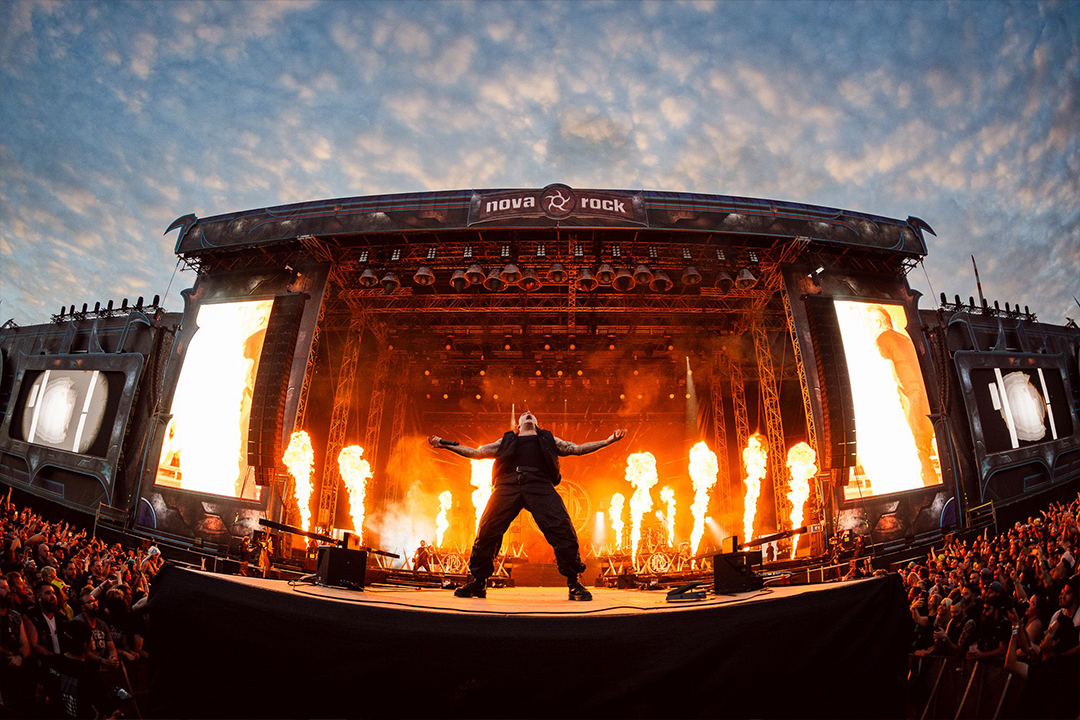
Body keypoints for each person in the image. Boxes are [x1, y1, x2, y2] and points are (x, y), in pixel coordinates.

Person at [429, 411, 626, 601]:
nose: (528, 412)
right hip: (508, 484)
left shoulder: (548, 439)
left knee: (562, 527)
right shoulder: (506, 440)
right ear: (519, 425)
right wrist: (445, 445)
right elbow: (477, 453)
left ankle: (574, 582)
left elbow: (577, 449)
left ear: (536, 425)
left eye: (531, 415)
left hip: (539, 484)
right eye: (524, 415)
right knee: (488, 529)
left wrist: (607, 441)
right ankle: (479, 581)